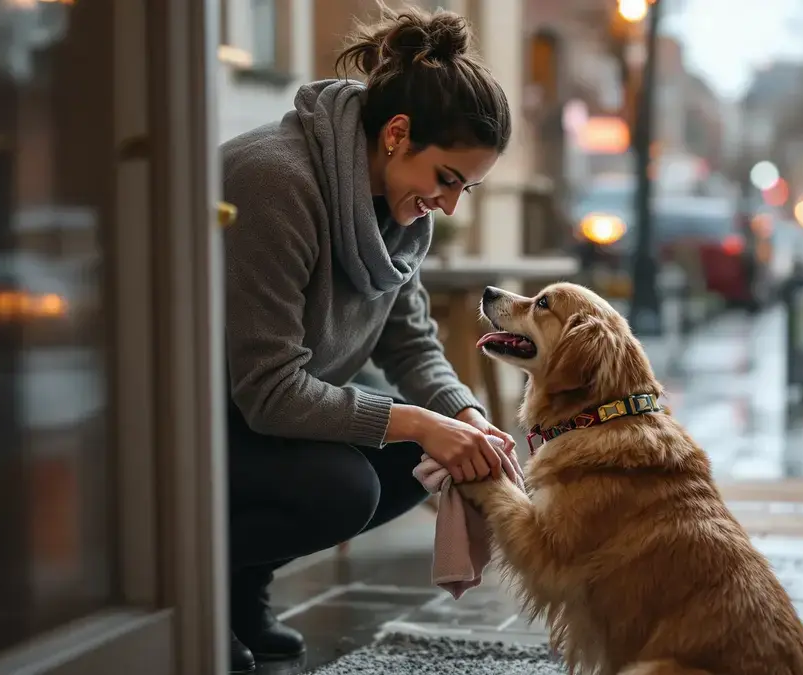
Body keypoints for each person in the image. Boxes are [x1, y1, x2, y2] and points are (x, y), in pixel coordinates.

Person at [219, 5, 515, 673]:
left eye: (466, 188)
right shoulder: (276, 182)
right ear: (397, 133)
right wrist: (422, 423)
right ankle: (200, 585)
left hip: (261, 414)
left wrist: (465, 417)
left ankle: (240, 585)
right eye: (447, 179)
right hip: (189, 422)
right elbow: (268, 390)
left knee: (419, 460)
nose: (450, 204)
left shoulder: (398, 213)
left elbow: (410, 343)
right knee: (346, 487)